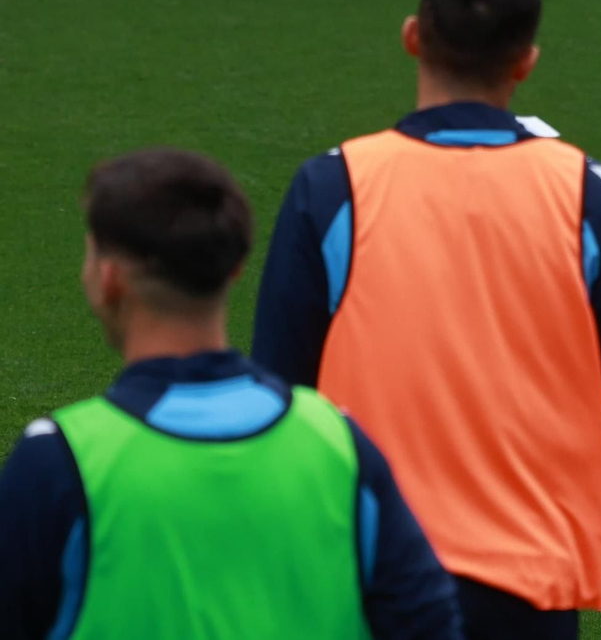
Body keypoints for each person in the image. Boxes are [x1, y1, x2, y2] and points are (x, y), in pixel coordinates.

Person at [251, 0, 601, 639]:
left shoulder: (331, 188)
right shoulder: (583, 194)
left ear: (412, 37)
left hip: (366, 583)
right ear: (526, 62)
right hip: (527, 590)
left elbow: (279, 399)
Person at [0, 148, 461, 639]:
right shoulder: (340, 447)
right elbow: (428, 626)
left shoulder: (58, 463)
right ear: (235, 268)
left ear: (108, 278)